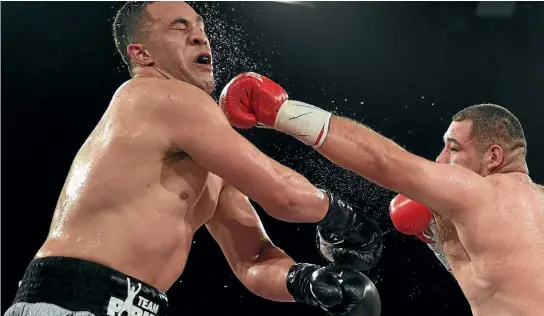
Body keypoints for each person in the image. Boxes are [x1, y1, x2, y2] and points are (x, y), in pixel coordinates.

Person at [3, 2, 383, 316]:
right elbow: (285, 196)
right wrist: (344, 218)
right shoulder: (155, 96)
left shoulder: (206, 150)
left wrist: (309, 282)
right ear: (142, 53)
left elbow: (251, 259)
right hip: (74, 298)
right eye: (179, 27)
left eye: (199, 26)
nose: (200, 35)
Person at [219, 72, 544, 315]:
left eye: (453, 148)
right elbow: (500, 284)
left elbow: (383, 160)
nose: (441, 160)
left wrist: (281, 112)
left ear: (494, 157)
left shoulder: (479, 192)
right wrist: (442, 245)